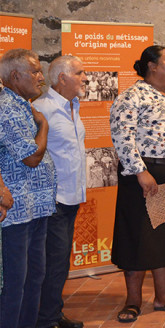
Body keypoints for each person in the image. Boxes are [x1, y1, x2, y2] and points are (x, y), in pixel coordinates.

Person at [109, 45, 165, 323]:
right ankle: (133, 301)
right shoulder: (132, 97)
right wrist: (140, 172)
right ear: (152, 66)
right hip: (144, 177)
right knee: (137, 238)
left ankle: (164, 297)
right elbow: (122, 136)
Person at [0, 48, 56, 328]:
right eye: (34, 71)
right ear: (14, 76)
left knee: (35, 276)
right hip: (16, 212)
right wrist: (43, 125)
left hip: (37, 207)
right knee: (15, 283)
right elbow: (32, 157)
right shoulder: (7, 109)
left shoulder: (23, 106)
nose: (40, 77)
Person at [33, 55, 88, 328]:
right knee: (53, 261)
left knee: (60, 260)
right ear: (62, 78)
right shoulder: (42, 109)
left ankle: (52, 314)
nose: (85, 78)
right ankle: (46, 320)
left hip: (71, 196)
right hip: (53, 199)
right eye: (79, 73)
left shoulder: (73, 106)